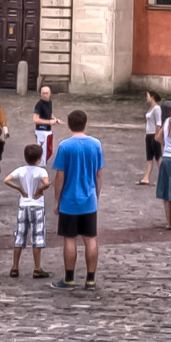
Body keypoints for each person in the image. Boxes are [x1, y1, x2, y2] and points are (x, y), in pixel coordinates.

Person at [51, 108, 103, 288]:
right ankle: (90, 279)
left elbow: (60, 176)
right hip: (89, 200)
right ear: (85, 124)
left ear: (69, 124)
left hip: (69, 200)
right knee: (90, 239)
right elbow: (98, 175)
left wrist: (57, 200)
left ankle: (69, 277)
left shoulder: (65, 146)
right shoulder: (96, 144)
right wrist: (96, 195)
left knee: (70, 239)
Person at [7, 142, 53, 274]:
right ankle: (37, 268)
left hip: (23, 205)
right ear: (39, 159)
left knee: (20, 235)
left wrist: (19, 188)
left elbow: (7, 180)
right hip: (37, 206)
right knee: (37, 236)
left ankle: (15, 267)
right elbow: (46, 183)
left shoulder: (20, 170)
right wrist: (40, 189)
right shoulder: (41, 171)